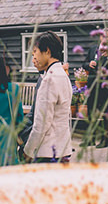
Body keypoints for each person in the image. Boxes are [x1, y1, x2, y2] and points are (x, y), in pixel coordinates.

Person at [22, 32, 72, 163]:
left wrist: (28, 150)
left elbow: (41, 123)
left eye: (35, 52)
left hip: (48, 151)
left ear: (47, 52)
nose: (33, 58)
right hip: (63, 148)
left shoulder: (49, 79)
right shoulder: (63, 75)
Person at [82, 28, 108, 148]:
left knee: (105, 113)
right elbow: (84, 63)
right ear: (100, 37)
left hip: (104, 85)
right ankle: (90, 139)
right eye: (105, 37)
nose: (107, 39)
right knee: (91, 112)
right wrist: (89, 64)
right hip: (92, 84)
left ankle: (105, 140)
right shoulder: (93, 48)